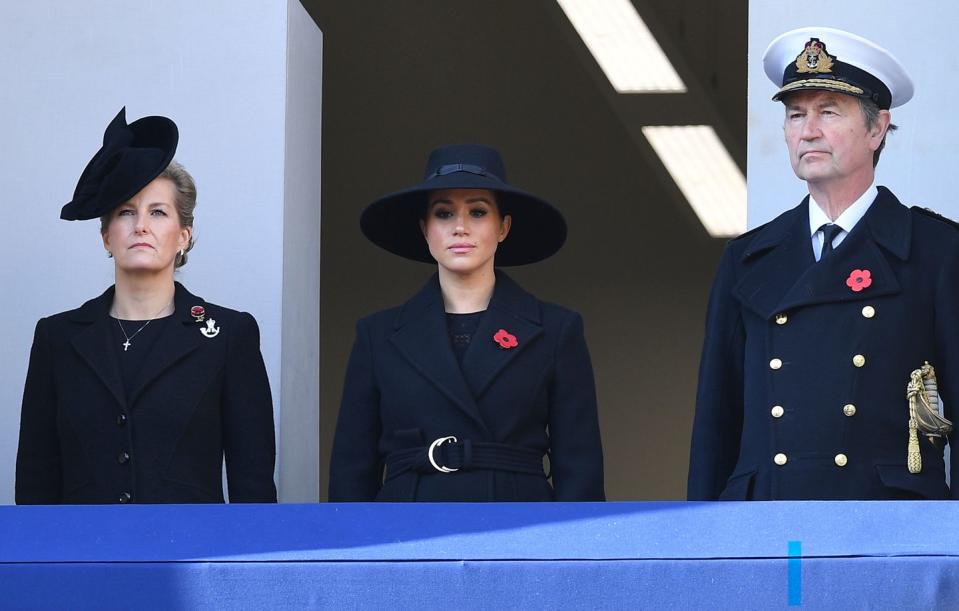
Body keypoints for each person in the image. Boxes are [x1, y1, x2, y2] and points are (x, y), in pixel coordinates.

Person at [688, 27, 959, 500]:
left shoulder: (935, 251)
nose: (807, 130)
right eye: (796, 115)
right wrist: (706, 546)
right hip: (767, 520)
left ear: (877, 129)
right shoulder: (748, 259)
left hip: (884, 526)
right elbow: (716, 420)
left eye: (828, 112)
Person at [15, 108, 277, 504]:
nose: (141, 226)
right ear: (106, 236)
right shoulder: (57, 337)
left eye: (157, 212)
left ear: (183, 235)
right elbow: (35, 483)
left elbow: (253, 486)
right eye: (125, 212)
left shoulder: (228, 335)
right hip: (84, 558)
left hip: (192, 557)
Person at [329, 144, 605, 501]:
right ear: (424, 229)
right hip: (406, 529)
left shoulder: (556, 330)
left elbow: (580, 466)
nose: (460, 227)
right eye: (443, 214)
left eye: (477, 212)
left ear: (503, 227)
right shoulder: (377, 335)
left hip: (519, 527)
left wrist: (569, 550)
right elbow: (352, 469)